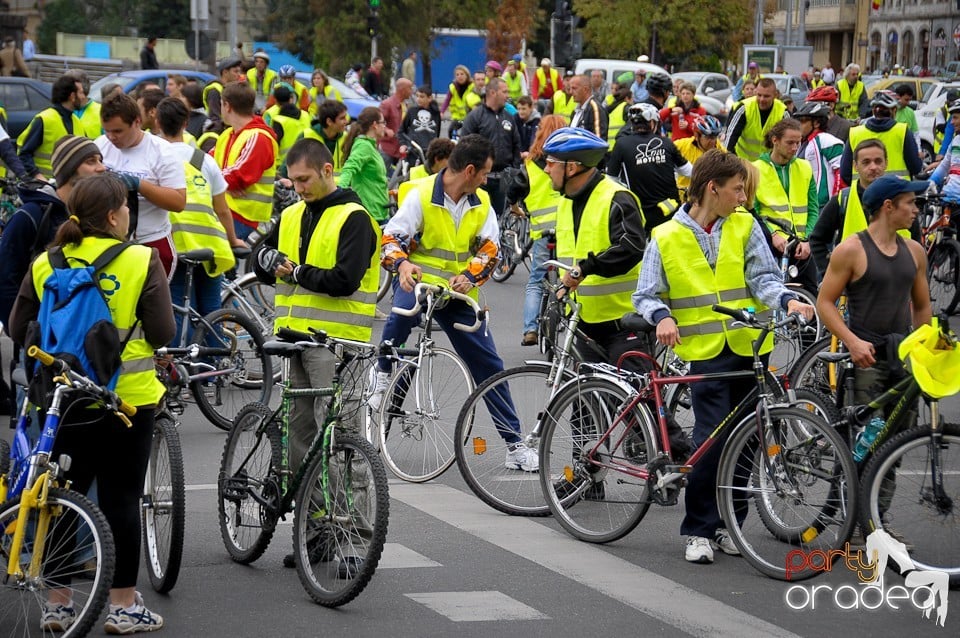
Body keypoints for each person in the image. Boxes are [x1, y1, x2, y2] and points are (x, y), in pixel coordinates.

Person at [9, 173, 174, 633]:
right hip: (127, 401)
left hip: (61, 400)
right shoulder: (141, 259)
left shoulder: (47, 261)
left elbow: (18, 323)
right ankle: (123, 607)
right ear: (115, 214)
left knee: (62, 496)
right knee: (121, 500)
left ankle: (59, 604)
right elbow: (163, 334)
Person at [632, 149, 814, 565]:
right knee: (711, 441)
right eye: (737, 190)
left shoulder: (746, 225)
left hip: (749, 347)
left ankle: (727, 524)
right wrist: (661, 316)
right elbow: (645, 293)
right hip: (706, 353)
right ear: (712, 189)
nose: (742, 199)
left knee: (745, 443)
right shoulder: (665, 235)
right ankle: (698, 529)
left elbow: (763, 278)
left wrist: (786, 300)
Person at [372, 134, 539, 470]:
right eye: (485, 173)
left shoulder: (482, 204)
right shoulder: (419, 196)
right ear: (470, 171)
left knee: (489, 365)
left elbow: (491, 249)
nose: (486, 180)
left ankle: (514, 445)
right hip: (419, 285)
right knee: (402, 317)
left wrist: (470, 275)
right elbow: (390, 239)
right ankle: (382, 371)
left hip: (458, 294)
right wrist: (403, 265)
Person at [253, 140, 379, 570]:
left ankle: (353, 541)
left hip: (337, 344)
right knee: (302, 440)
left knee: (342, 443)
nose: (299, 188)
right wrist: (266, 258)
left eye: (305, 180)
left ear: (328, 170)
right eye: (294, 181)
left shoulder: (355, 217)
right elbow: (259, 260)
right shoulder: (291, 213)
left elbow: (344, 279)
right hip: (295, 339)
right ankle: (317, 532)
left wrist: (296, 272)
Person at [816, 176, 931, 441]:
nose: (916, 210)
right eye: (910, 203)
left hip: (902, 357)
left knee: (896, 444)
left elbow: (922, 307)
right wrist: (852, 342)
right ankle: (847, 483)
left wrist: (925, 350)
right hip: (865, 360)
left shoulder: (915, 251)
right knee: (866, 446)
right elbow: (824, 302)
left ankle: (882, 484)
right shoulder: (851, 250)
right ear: (888, 206)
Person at [0, 135, 105, 336]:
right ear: (69, 170)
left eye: (100, 160)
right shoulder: (30, 215)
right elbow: (5, 279)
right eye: (91, 161)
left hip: (86, 338)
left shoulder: (93, 215)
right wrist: (24, 334)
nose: (101, 168)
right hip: (41, 342)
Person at [155, 98, 241, 342]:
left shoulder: (156, 158)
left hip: (179, 243)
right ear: (186, 123)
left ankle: (190, 366)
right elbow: (222, 210)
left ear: (158, 123)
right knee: (211, 308)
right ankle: (214, 365)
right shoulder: (205, 160)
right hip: (211, 245)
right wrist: (233, 240)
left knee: (180, 307)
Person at [95, 93, 187, 275]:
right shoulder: (100, 146)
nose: (111, 137)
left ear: (137, 122)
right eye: (107, 130)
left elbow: (178, 202)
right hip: (110, 242)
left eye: (118, 131)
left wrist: (139, 185)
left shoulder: (162, 151)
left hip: (151, 242)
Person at [503, 114, 566, 345]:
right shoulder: (568, 162)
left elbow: (514, 189)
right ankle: (566, 323)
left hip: (541, 232)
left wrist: (513, 206)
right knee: (567, 277)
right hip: (566, 230)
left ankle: (530, 329)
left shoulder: (530, 165)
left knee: (536, 281)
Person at [810, 139, 913, 275]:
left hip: (897, 284)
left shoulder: (902, 200)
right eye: (866, 162)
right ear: (855, 166)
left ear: (886, 163)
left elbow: (915, 241)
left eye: (878, 161)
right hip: (852, 289)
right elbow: (817, 239)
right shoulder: (843, 199)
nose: (873, 167)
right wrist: (831, 272)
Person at [752, 118, 819, 294]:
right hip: (771, 244)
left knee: (812, 296)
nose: (795, 148)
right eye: (790, 143)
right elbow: (753, 212)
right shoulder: (755, 169)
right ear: (775, 140)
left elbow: (813, 208)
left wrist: (806, 239)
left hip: (801, 245)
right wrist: (772, 234)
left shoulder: (804, 167)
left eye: (798, 142)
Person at [609, 103, 691, 233]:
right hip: (669, 213)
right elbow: (689, 171)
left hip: (638, 216)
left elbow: (611, 179)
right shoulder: (666, 143)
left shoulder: (621, 145)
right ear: (652, 122)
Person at [212, 81, 278, 242]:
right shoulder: (228, 134)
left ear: (227, 106)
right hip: (225, 209)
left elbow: (238, 176)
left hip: (243, 216)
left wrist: (218, 182)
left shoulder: (259, 137)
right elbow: (206, 165)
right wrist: (223, 185)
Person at [460, 77, 523, 218]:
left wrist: (514, 171)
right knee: (479, 217)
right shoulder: (475, 117)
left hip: (503, 180)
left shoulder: (509, 117)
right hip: (480, 181)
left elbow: (516, 145)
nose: (508, 95)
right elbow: (463, 147)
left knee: (501, 219)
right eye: (504, 91)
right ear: (493, 93)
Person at [840, 90, 922, 184]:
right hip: (898, 194)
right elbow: (916, 167)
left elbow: (845, 173)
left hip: (863, 195)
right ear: (894, 110)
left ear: (873, 111)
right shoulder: (903, 131)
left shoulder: (855, 133)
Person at [17, 74, 84, 179]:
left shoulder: (77, 121)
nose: (83, 97)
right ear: (72, 96)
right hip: (43, 188)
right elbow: (24, 154)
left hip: (66, 187)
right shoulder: (45, 119)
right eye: (81, 93)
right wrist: (37, 176)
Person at [337, 106, 389, 223]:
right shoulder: (364, 146)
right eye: (383, 122)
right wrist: (339, 192)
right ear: (374, 125)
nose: (384, 126)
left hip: (380, 211)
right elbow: (349, 168)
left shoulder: (370, 145)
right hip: (372, 214)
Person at [794, 100, 843, 210]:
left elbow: (841, 171)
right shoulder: (802, 144)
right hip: (807, 205)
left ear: (816, 123)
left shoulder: (826, 140)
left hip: (824, 206)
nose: (799, 125)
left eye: (803, 121)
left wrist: (836, 200)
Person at [726, 77, 787, 162]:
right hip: (744, 164)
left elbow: (791, 141)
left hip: (769, 165)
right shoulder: (744, 108)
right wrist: (733, 161)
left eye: (766, 96)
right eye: (759, 95)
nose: (762, 99)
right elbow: (730, 137)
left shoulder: (783, 111)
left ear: (775, 95)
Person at [266, 84, 312, 169]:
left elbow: (270, 143)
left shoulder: (273, 116)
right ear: (291, 98)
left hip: (283, 164)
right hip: (305, 161)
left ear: (275, 100)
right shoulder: (306, 115)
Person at [674, 115, 723, 194]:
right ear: (697, 136)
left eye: (714, 137)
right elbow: (665, 149)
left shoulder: (720, 150)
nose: (713, 142)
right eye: (708, 137)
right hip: (683, 195)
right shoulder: (682, 145)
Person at [301, 99, 348, 177]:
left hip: (338, 187)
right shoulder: (307, 135)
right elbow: (291, 163)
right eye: (342, 118)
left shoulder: (346, 138)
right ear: (329, 121)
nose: (346, 121)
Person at [203, 56, 245, 134]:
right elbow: (215, 118)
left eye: (239, 71)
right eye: (236, 71)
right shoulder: (214, 90)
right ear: (225, 72)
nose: (239, 75)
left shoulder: (229, 89)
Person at [379, 78, 413, 171]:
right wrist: (386, 130)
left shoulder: (405, 105)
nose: (412, 91)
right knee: (382, 174)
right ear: (402, 90)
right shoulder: (387, 104)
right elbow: (376, 121)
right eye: (410, 88)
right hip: (388, 149)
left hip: (401, 148)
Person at [399, 84, 441, 160]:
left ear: (429, 98)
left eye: (422, 96)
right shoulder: (412, 111)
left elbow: (437, 132)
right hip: (413, 151)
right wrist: (403, 144)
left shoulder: (436, 113)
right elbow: (401, 131)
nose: (418, 99)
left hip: (429, 152)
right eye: (417, 96)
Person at [931, 99, 960, 206]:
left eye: (955, 118)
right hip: (948, 198)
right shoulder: (956, 140)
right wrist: (931, 181)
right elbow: (945, 166)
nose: (952, 122)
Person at [441, 65, 477, 137]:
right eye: (457, 75)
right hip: (457, 117)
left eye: (462, 74)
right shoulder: (453, 87)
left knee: (467, 134)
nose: (460, 76)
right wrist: (442, 112)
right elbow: (447, 100)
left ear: (467, 75)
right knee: (451, 131)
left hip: (469, 116)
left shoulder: (472, 86)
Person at [568, 74, 608, 141]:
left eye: (574, 88)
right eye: (570, 88)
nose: (570, 92)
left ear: (585, 89)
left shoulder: (595, 109)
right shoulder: (576, 111)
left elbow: (598, 141)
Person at [893, 83, 920, 151]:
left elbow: (915, 134)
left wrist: (919, 150)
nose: (908, 103)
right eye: (906, 100)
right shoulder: (889, 111)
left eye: (909, 100)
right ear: (898, 97)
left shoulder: (910, 112)